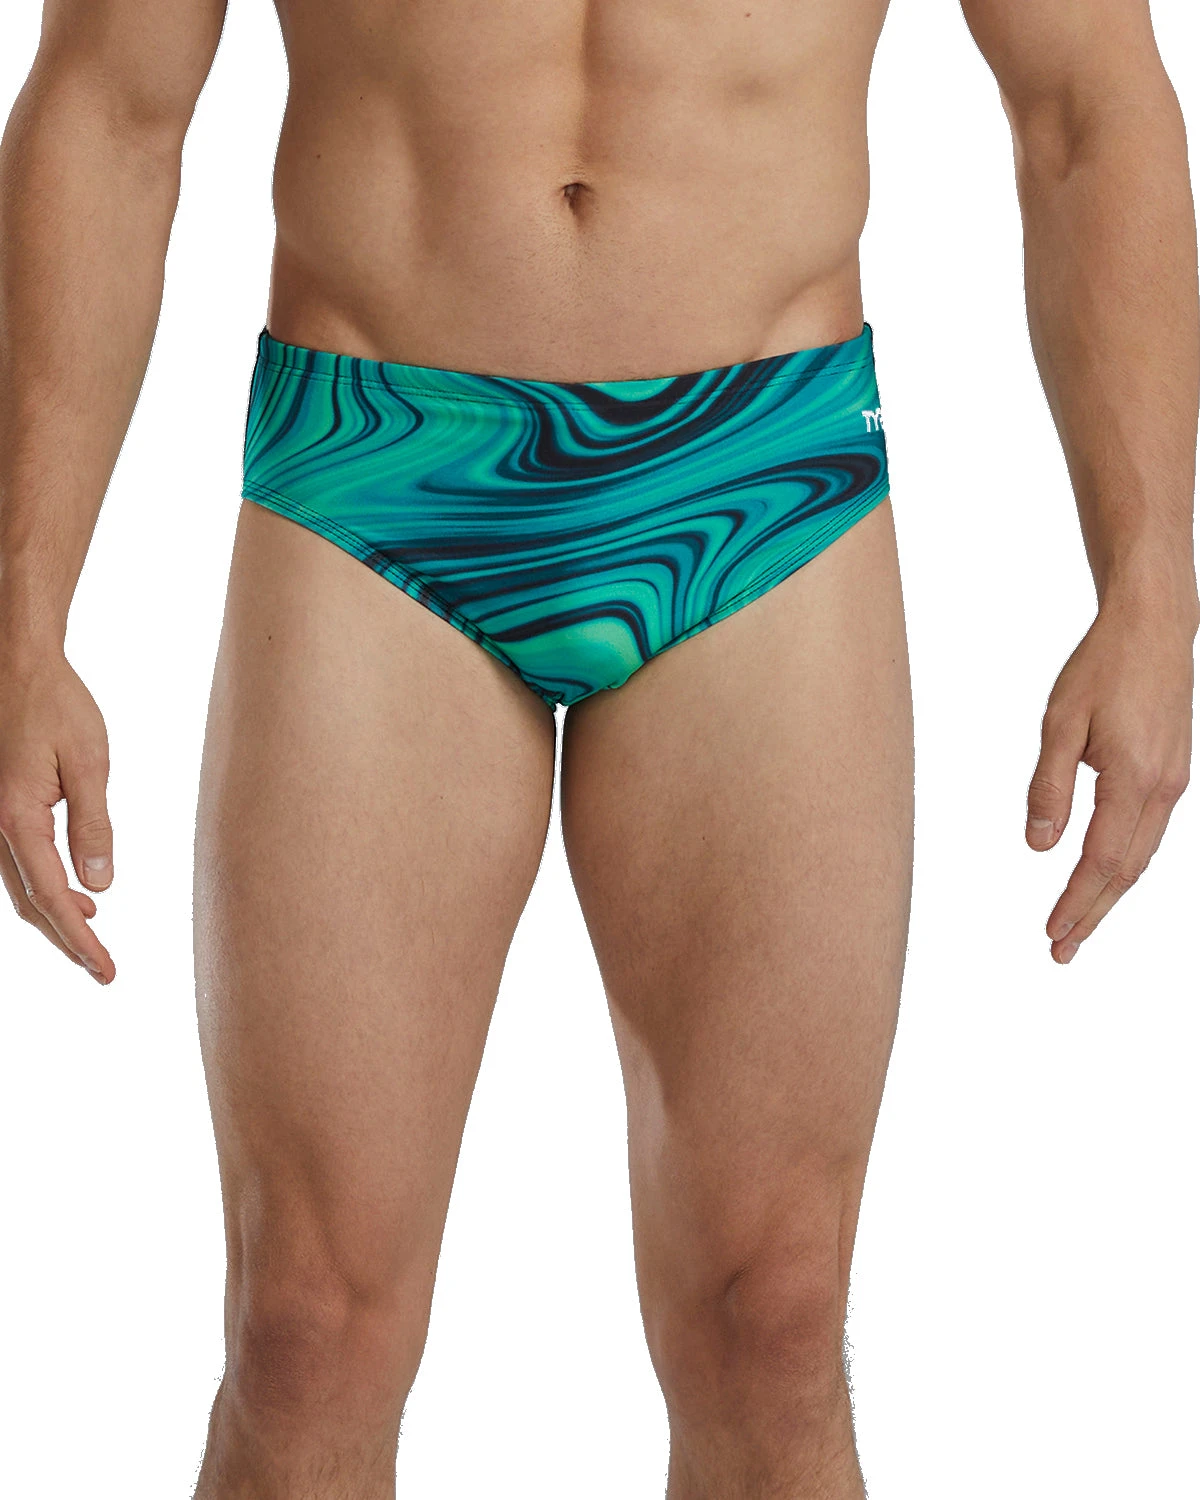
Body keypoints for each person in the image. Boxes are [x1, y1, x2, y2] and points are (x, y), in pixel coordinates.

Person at [0, 0, 1196, 1495]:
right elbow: (110, 105)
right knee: (306, 1329)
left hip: (759, 474)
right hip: (379, 463)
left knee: (773, 1318)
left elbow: (1087, 104)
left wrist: (1151, 590)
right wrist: (22, 622)